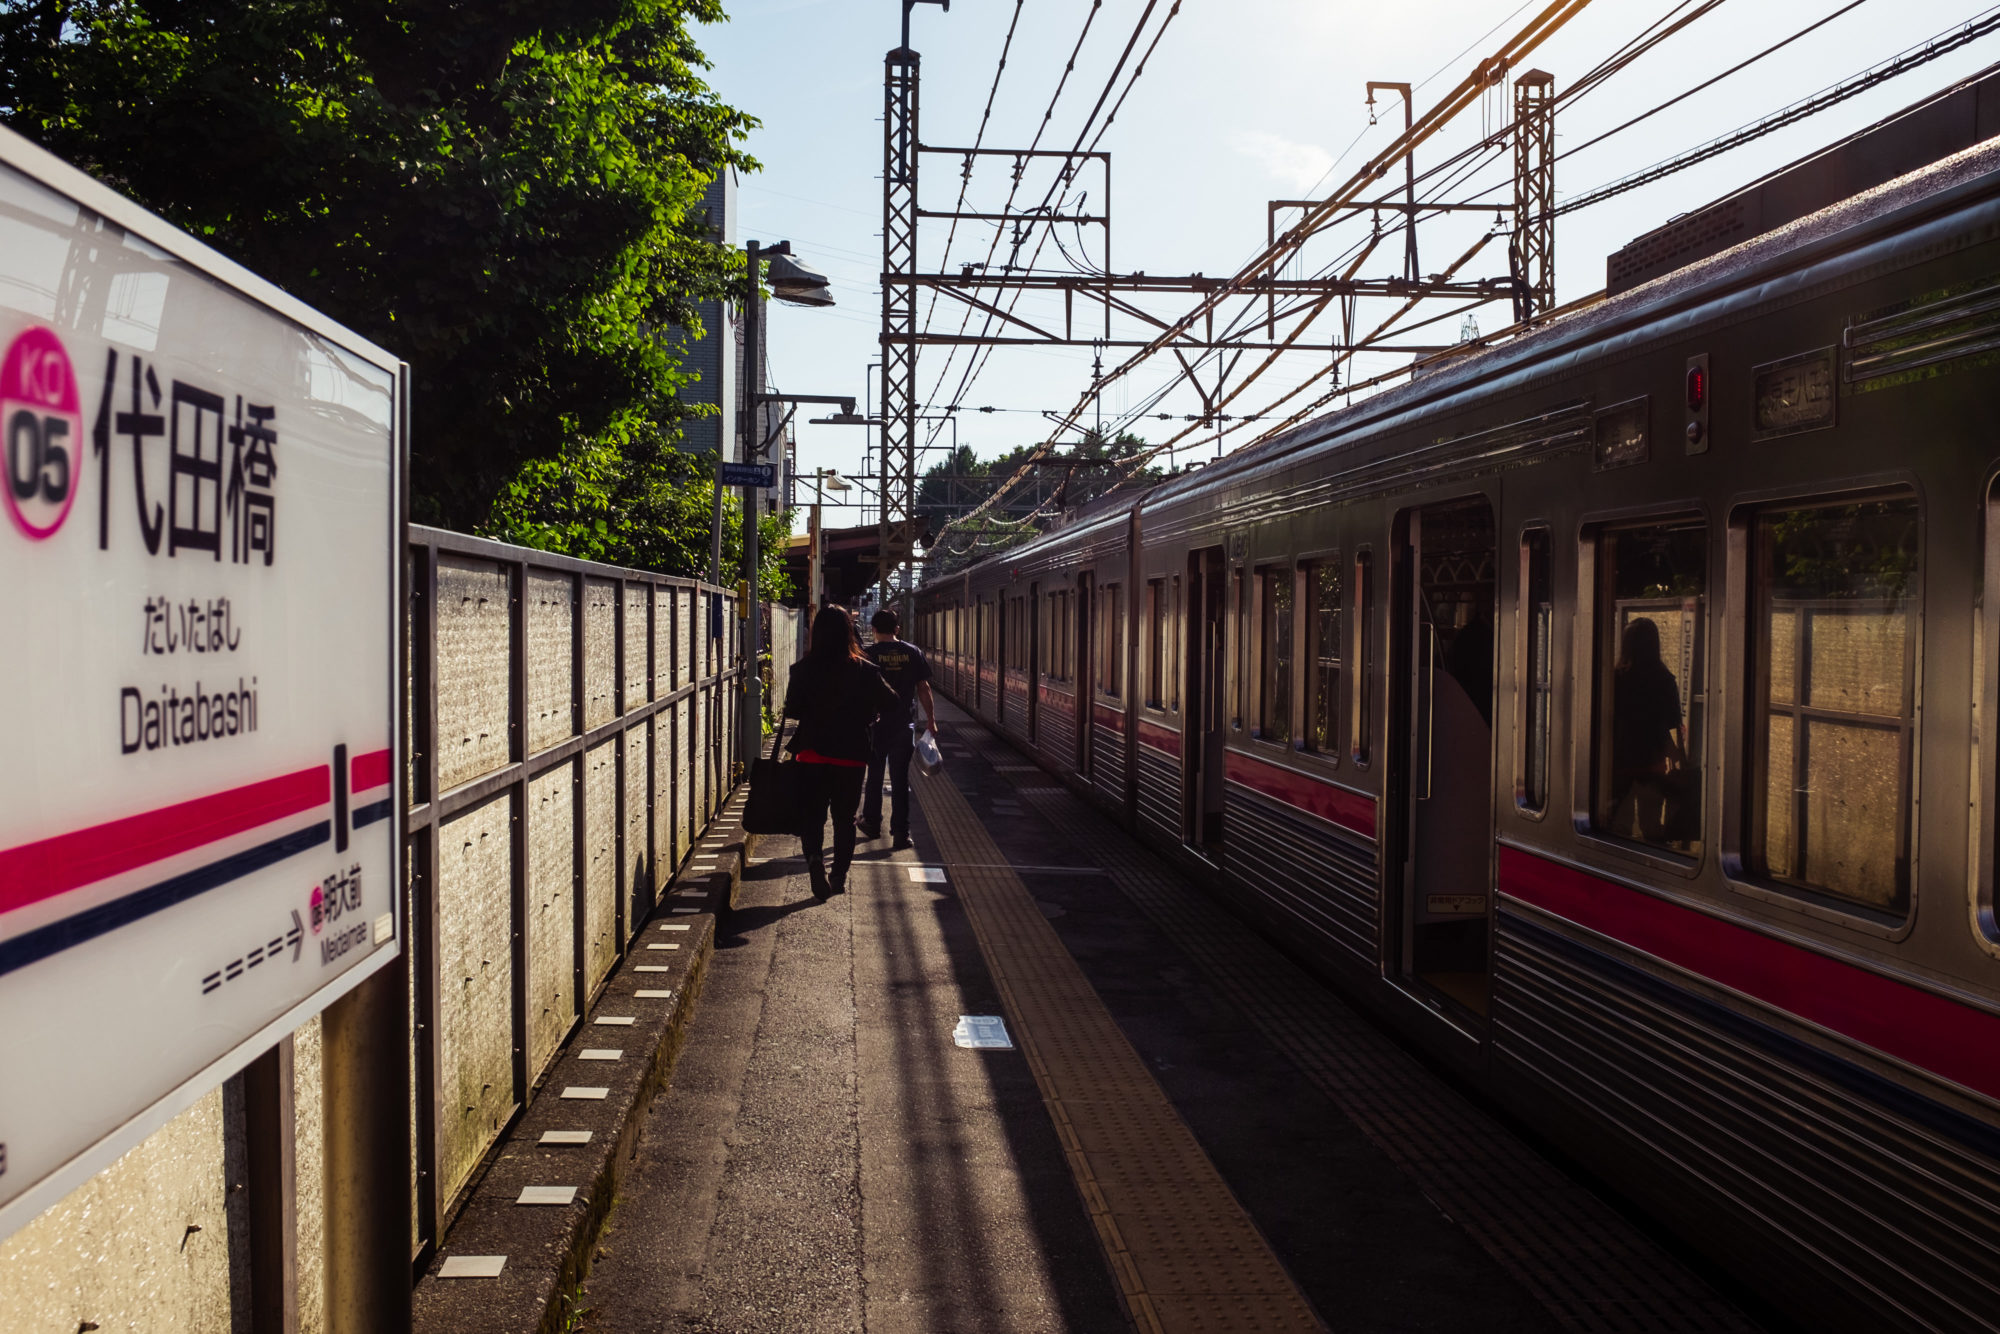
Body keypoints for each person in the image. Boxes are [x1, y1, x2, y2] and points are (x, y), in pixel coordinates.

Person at [783, 605, 901, 899]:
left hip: (812, 753)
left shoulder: (803, 669)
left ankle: (814, 862)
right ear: (849, 632)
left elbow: (793, 709)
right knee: (844, 819)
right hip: (851, 755)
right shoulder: (866, 670)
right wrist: (868, 711)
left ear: (816, 633)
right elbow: (893, 702)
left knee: (813, 815)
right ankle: (838, 877)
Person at [861, 608, 938, 849]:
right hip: (903, 724)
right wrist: (931, 719)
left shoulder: (867, 654)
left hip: (875, 725)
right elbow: (923, 688)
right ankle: (901, 833)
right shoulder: (912, 652)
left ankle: (872, 823)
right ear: (897, 629)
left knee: (873, 776)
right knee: (900, 779)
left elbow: (859, 692)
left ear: (873, 630)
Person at [1609, 617, 1688, 846]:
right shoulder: (1664, 679)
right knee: (1652, 827)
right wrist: (1678, 758)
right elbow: (1674, 724)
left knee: (1618, 827)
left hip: (1620, 763)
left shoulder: (1615, 679)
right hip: (1653, 764)